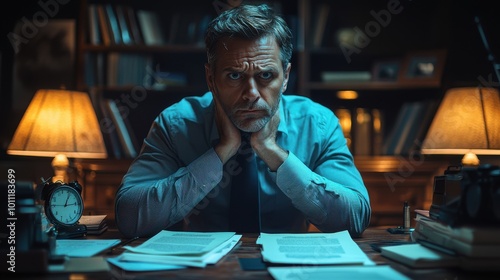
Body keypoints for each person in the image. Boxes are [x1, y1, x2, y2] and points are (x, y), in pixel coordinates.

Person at [115, 4, 371, 238]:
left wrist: (273, 152)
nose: (251, 94)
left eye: (266, 75)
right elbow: (129, 217)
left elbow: (355, 218)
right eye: (235, 75)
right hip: (200, 271)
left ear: (285, 77)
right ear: (211, 78)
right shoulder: (176, 124)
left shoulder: (318, 125)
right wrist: (220, 152)